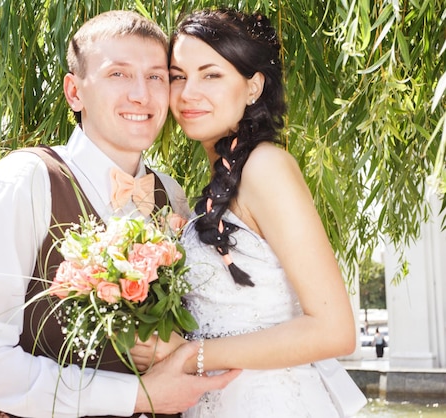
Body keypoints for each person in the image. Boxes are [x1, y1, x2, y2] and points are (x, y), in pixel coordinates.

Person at [0, 10, 240, 418]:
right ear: (74, 92)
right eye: (117, 74)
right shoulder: (26, 180)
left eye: (156, 76)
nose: (141, 94)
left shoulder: (171, 194)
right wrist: (134, 396)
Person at [130, 8, 357, 417]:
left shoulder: (266, 167)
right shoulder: (217, 182)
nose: (187, 93)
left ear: (253, 87)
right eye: (178, 75)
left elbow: (334, 330)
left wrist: (190, 355)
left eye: (211, 74)